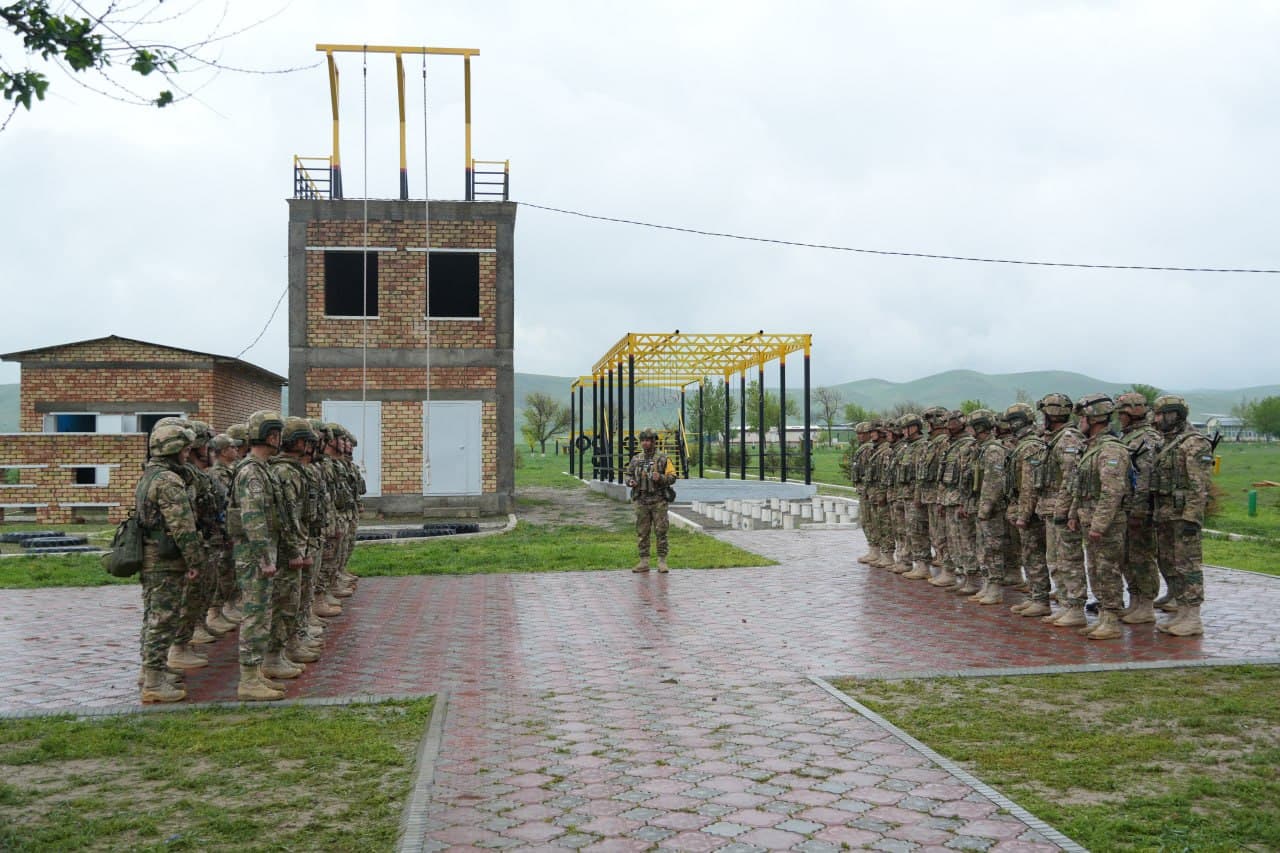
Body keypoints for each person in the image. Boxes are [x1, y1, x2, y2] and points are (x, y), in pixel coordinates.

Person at [135, 422, 208, 703]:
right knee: (162, 619)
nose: (189, 454)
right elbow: (183, 526)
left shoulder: (151, 474)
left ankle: (152, 670)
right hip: (164, 560)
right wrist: (195, 560)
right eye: (186, 449)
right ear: (173, 450)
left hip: (154, 557)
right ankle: (153, 681)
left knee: (153, 616)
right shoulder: (168, 481)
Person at [230, 409, 288, 701]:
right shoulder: (251, 471)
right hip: (255, 555)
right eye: (275, 433)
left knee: (263, 612)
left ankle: (257, 671)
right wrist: (264, 557)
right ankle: (248, 680)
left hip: (264, 551)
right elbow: (253, 518)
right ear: (265, 435)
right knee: (255, 613)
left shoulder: (263, 468)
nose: (279, 439)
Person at [1067, 394, 1132, 640]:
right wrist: (1074, 513)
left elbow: (1112, 492)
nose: (1079, 423)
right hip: (1089, 519)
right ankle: (1103, 614)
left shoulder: (1110, 449)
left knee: (1108, 571)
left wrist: (1100, 524)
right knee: (1095, 570)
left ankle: (1112, 620)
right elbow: (1080, 487)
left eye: (1082, 418)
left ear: (1093, 419)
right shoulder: (1091, 449)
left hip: (1106, 525)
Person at [1151, 394, 1213, 636]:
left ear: (1174, 415)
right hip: (1165, 514)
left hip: (1183, 516)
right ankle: (1181, 612)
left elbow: (1200, 486)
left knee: (1188, 565)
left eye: (1160, 415)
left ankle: (1193, 616)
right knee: (1169, 563)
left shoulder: (1194, 443)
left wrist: (1192, 518)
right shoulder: (1167, 443)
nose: (1156, 420)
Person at [1035, 393, 1087, 627]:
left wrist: (1066, 511)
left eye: (1045, 413)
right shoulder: (1054, 439)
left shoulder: (1067, 440)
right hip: (1052, 509)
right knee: (1054, 560)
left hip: (1062, 511)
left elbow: (1070, 480)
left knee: (1069, 561)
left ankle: (1075, 608)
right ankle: (1065, 603)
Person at [1115, 393, 1164, 624]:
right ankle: (1135, 599)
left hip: (1139, 509)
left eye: (1122, 413)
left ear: (1131, 413)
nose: (1119, 418)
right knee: (1126, 557)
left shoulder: (1147, 439)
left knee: (1142, 557)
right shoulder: (1128, 437)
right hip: (1125, 507)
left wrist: (1139, 510)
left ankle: (1146, 604)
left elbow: (1145, 478)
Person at [1008, 403, 1052, 617]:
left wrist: (1024, 514)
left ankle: (1041, 599)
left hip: (1031, 512)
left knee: (1035, 556)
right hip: (1024, 507)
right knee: (1028, 554)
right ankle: (1035, 595)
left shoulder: (1030, 446)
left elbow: (1029, 484)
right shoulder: (1023, 445)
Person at [968, 409, 1008, 605]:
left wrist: (985, 508)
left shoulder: (993, 450)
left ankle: (995, 587)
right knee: (983, 547)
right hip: (981, 506)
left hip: (992, 509)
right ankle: (987, 584)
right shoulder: (981, 448)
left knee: (993, 548)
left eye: (972, 426)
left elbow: (994, 482)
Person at [627, 428, 677, 573]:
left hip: (658, 501)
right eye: (643, 440)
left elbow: (673, 477)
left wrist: (660, 478)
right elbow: (628, 474)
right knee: (642, 532)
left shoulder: (663, 459)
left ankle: (662, 561)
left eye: (648, 440)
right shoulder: (636, 459)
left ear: (654, 441)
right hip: (641, 500)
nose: (645, 443)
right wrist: (630, 482)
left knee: (661, 531)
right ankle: (644, 561)